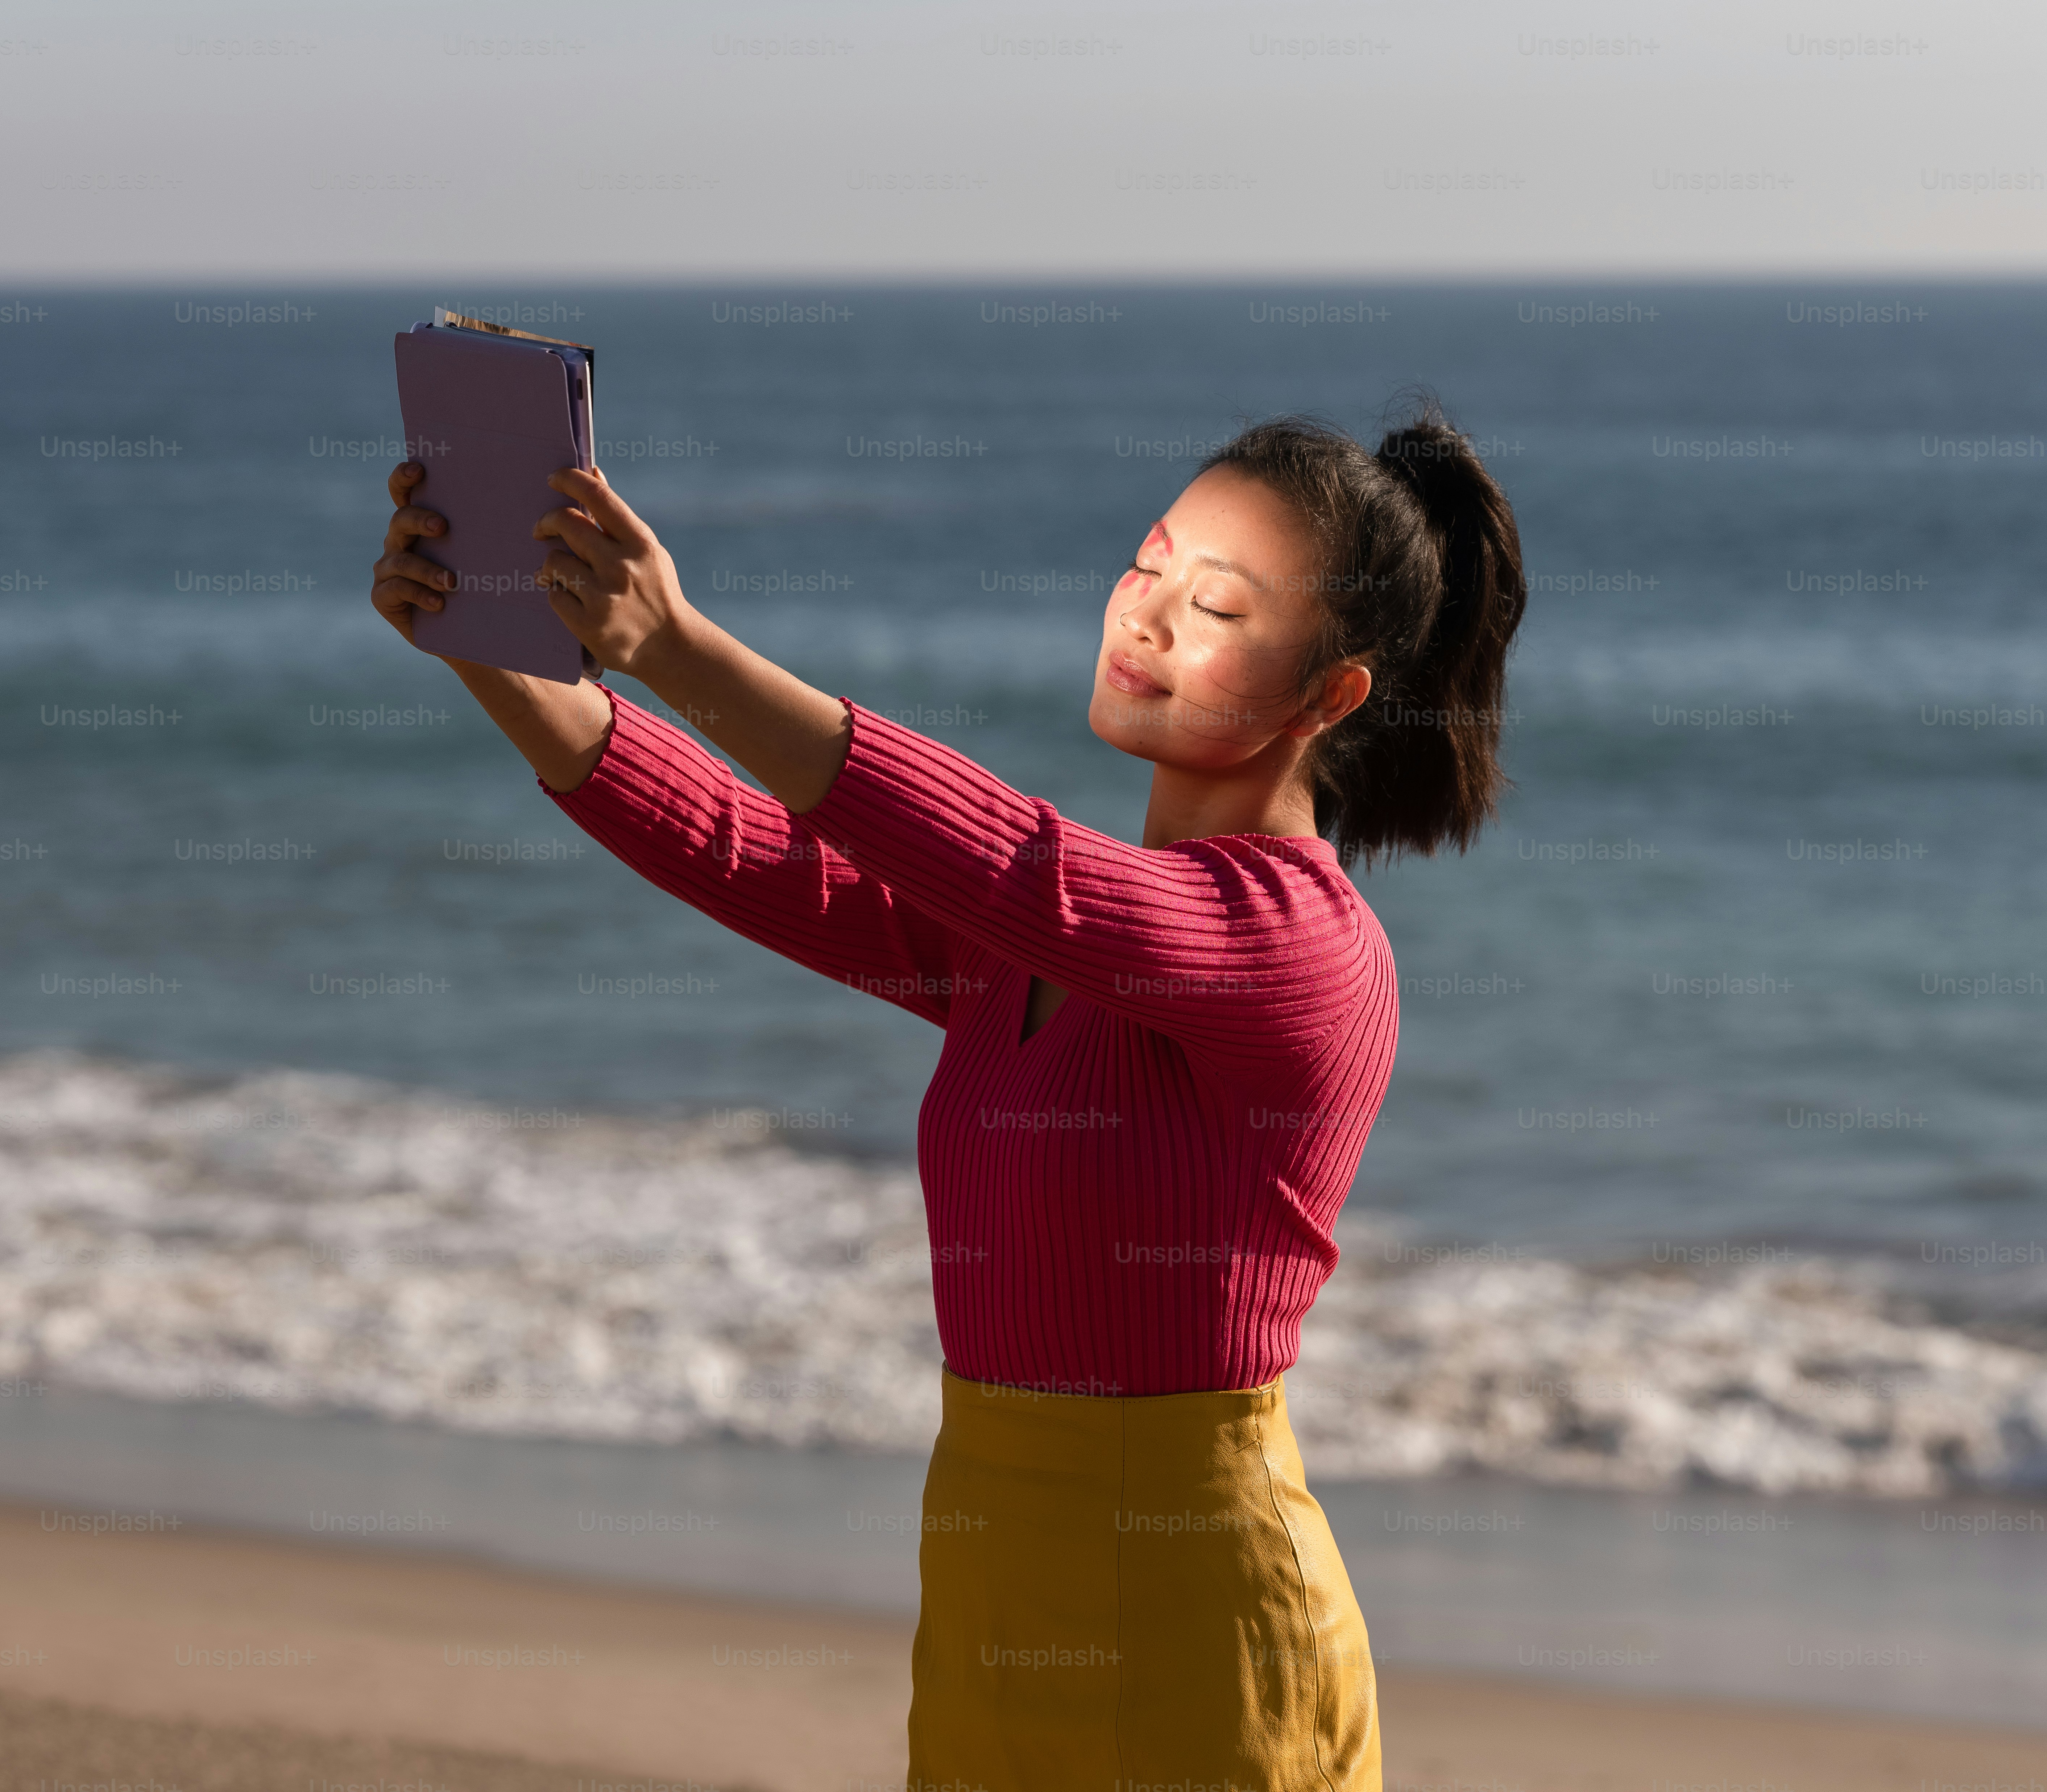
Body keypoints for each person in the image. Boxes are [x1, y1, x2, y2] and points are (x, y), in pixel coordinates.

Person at [368, 397, 1526, 1791]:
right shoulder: (1052, 944)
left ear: (1329, 695)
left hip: (1199, 1621)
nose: (1148, 619)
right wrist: (489, 640)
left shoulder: (1298, 943)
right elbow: (748, 847)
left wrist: (675, 643)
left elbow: (1016, 865)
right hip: (990, 1585)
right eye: (1149, 566)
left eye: (1216, 606)